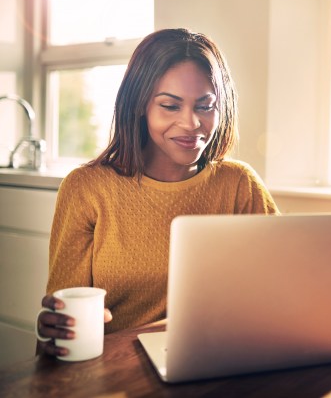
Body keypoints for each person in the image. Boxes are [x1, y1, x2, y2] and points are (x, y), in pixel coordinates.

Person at [35, 28, 279, 358]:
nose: (192, 124)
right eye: (170, 106)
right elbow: (60, 325)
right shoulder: (87, 188)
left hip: (216, 359)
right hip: (114, 372)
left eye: (205, 106)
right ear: (139, 105)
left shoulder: (239, 185)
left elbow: (284, 288)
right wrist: (56, 328)